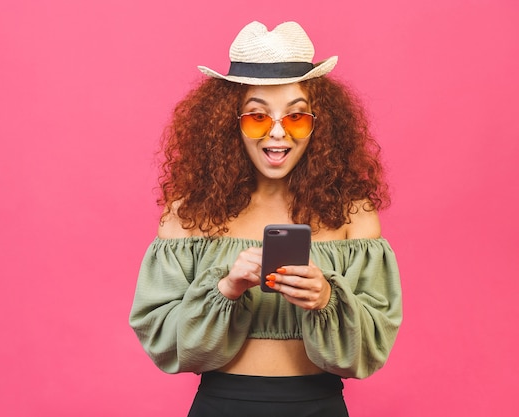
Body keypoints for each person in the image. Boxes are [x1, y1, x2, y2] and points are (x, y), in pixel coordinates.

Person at [129, 21, 403, 417]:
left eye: (296, 118)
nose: (277, 134)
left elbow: (370, 350)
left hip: (319, 405)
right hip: (221, 405)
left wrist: (326, 298)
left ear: (319, 125)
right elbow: (164, 343)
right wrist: (225, 288)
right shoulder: (188, 216)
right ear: (230, 124)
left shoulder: (353, 216)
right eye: (258, 117)